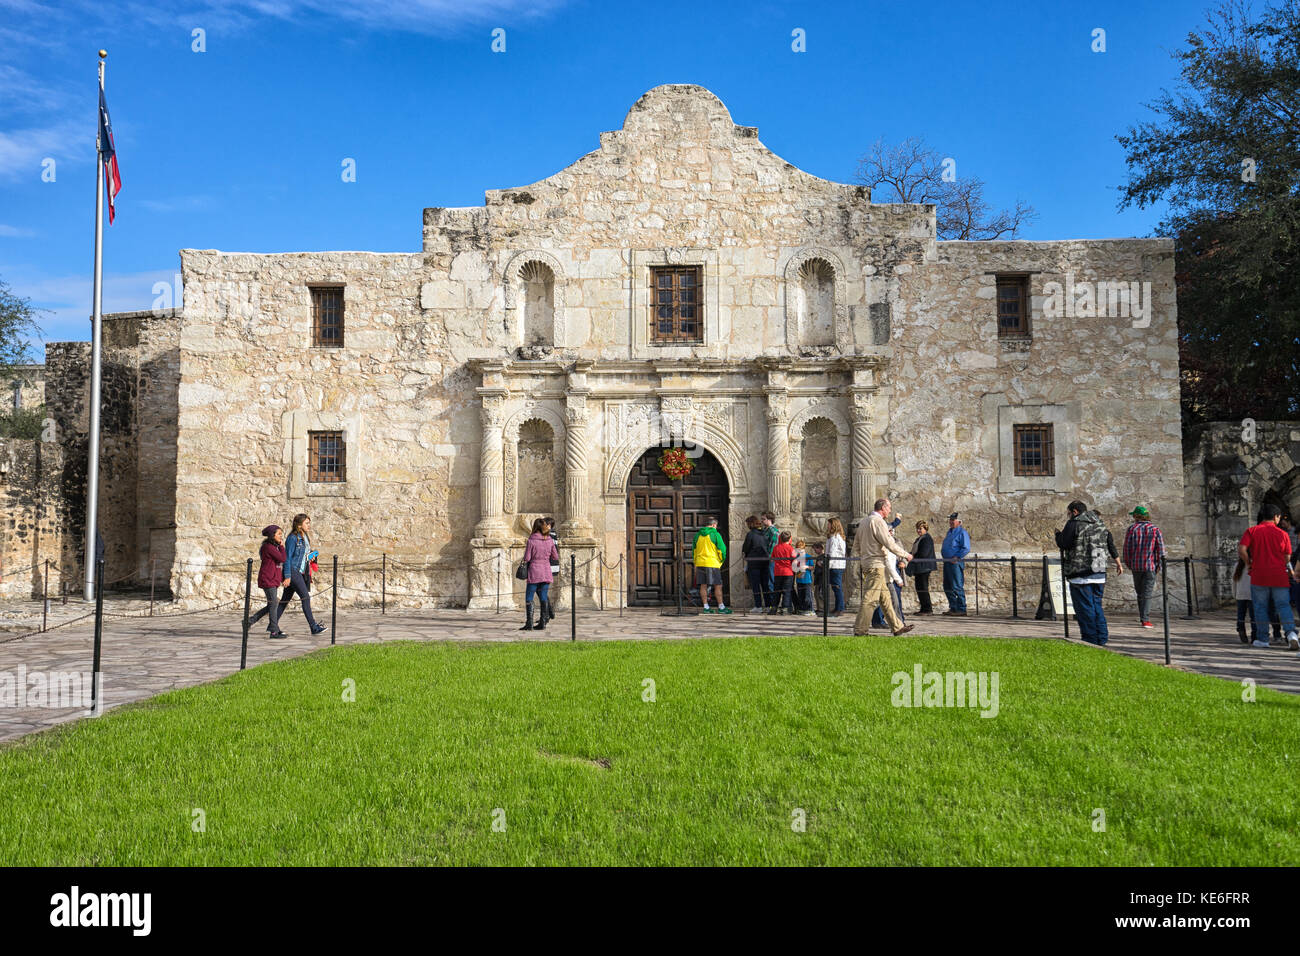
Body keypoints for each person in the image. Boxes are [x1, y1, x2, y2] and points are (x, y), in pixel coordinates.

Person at [1238, 503, 1299, 650]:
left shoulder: (1252, 531)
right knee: (1283, 606)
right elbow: (1287, 556)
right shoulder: (1282, 534)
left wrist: (1249, 562)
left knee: (1260, 607)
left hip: (1259, 575)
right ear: (1276, 517)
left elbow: (1242, 549)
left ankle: (1263, 638)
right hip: (1279, 575)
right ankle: (1291, 634)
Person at [851, 498, 914, 636]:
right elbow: (889, 542)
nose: (890, 510)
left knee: (885, 598)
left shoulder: (864, 522)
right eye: (889, 507)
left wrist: (864, 558)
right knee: (870, 599)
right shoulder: (878, 522)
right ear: (883, 508)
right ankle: (860, 630)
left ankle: (897, 626)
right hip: (876, 564)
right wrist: (906, 555)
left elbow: (856, 545)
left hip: (868, 563)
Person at [1055, 501, 1113, 646]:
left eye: (1068, 513)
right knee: (1096, 606)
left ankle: (1090, 639)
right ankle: (1102, 637)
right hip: (1099, 570)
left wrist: (1058, 535)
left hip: (1080, 572)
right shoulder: (1099, 523)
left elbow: (1064, 543)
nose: (1068, 516)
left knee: (1084, 608)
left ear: (1074, 512)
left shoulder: (1074, 523)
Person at [277, 513, 327, 636]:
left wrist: (310, 556)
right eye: (307, 523)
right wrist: (287, 576)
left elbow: (302, 555)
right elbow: (287, 558)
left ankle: (272, 625)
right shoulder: (292, 538)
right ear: (299, 525)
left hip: (300, 571)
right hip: (293, 571)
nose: (309, 525)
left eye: (309, 523)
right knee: (305, 597)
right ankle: (313, 627)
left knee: (285, 600)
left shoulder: (304, 537)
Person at [1122, 505, 1166, 629]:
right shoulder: (1155, 529)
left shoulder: (1132, 529)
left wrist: (1128, 562)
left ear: (1136, 516)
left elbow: (1127, 548)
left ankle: (1143, 617)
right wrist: (1159, 564)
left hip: (1136, 565)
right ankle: (1145, 619)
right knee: (1147, 592)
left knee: (1140, 592)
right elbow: (1161, 549)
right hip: (1150, 565)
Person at [247, 524, 288, 638]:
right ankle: (274, 631)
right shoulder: (268, 547)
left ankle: (250, 621)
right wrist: (282, 547)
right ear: (272, 535)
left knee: (272, 604)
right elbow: (282, 558)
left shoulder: (273, 547)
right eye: (279, 534)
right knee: (273, 604)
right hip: (268, 579)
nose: (281, 536)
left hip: (273, 579)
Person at [520, 517, 560, 631]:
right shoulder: (549, 540)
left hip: (534, 571)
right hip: (546, 571)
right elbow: (555, 557)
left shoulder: (531, 540)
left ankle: (529, 623)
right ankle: (543, 622)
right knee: (543, 597)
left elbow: (527, 558)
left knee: (529, 597)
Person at [872, 519, 906, 628]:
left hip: (894, 573)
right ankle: (896, 623)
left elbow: (902, 554)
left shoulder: (897, 541)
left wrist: (904, 562)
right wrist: (898, 579)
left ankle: (899, 623)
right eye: (889, 531)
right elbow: (888, 563)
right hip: (888, 576)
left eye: (892, 531)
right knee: (886, 601)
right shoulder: (884, 544)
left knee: (893, 600)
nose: (891, 533)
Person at [692, 516, 730, 614]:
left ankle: (706, 607)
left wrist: (696, 562)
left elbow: (694, 551)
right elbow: (722, 550)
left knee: (703, 586)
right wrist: (721, 561)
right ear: (714, 525)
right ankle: (721, 607)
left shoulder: (697, 535)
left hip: (700, 563)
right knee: (718, 585)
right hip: (712, 563)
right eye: (716, 526)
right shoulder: (715, 534)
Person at [940, 513, 970, 616]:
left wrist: (957, 557)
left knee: (957, 585)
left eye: (954, 520)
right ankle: (953, 607)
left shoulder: (962, 532)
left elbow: (966, 548)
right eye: (951, 520)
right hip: (947, 562)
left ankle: (961, 608)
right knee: (947, 585)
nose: (951, 522)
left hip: (955, 563)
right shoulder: (949, 532)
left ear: (959, 522)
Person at [741, 515, 770, 613]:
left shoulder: (750, 534)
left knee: (756, 585)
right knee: (765, 585)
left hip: (754, 563)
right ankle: (768, 605)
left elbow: (746, 547)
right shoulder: (764, 533)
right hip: (765, 562)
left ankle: (758, 606)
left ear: (750, 524)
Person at [908, 520, 936, 615]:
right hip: (920, 567)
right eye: (917, 529)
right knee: (919, 587)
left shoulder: (927, 539)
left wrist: (912, 557)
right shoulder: (919, 539)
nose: (918, 530)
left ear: (925, 529)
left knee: (923, 587)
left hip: (924, 567)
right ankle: (924, 608)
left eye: (920, 528)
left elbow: (923, 553)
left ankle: (928, 609)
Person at [770, 531, 796, 615]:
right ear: (789, 539)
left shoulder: (776, 547)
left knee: (776, 591)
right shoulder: (790, 548)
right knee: (786, 591)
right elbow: (795, 559)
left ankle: (774, 608)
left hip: (778, 572)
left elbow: (772, 559)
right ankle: (785, 608)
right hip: (788, 572)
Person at [825, 517, 847, 616]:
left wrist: (826, 564)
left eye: (829, 524)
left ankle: (840, 608)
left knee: (837, 587)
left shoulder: (835, 537)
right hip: (836, 564)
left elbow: (832, 553)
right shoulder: (835, 537)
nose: (828, 526)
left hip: (835, 565)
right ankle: (838, 607)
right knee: (835, 587)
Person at [761, 512, 779, 609]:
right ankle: (768, 604)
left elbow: (773, 546)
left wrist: (770, 557)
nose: (762, 521)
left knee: (770, 581)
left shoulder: (773, 531)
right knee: (765, 582)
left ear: (769, 519)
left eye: (763, 519)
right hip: (764, 559)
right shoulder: (765, 530)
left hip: (771, 560)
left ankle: (773, 604)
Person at [793, 539, 815, 615]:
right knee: (801, 595)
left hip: (807, 580)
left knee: (807, 596)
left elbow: (812, 567)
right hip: (799, 580)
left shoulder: (808, 557)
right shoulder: (796, 557)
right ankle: (802, 609)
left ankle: (810, 610)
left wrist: (806, 567)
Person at [544, 517, 560, 621]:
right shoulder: (552, 535)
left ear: (549, 525)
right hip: (549, 566)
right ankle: (548, 613)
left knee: (542, 591)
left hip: (548, 566)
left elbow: (553, 553)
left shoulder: (550, 535)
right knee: (542, 590)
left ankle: (548, 613)